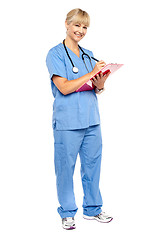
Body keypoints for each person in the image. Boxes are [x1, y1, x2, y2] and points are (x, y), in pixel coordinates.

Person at [46, 8, 113, 230]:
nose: (81, 30)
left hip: (91, 120)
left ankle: (93, 209)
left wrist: (100, 83)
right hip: (68, 123)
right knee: (65, 168)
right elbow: (64, 87)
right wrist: (91, 73)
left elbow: (92, 88)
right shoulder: (55, 54)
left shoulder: (88, 54)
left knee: (93, 166)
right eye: (77, 25)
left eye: (85, 27)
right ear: (66, 24)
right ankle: (67, 212)